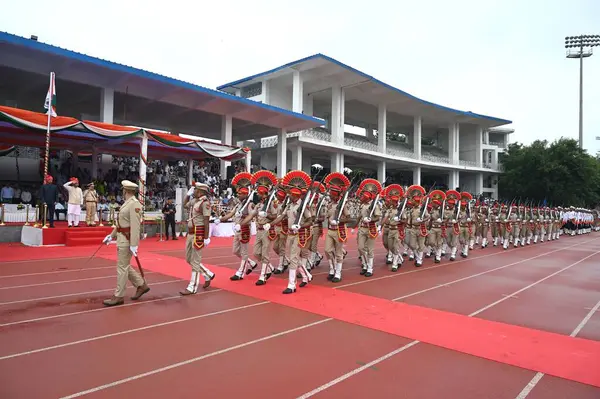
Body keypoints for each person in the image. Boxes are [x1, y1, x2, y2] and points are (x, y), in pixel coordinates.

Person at [101, 180, 150, 307]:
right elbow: (121, 224)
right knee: (124, 266)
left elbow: (135, 225)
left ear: (126, 191)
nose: (122, 192)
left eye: (123, 190)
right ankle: (141, 285)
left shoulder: (134, 204)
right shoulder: (127, 203)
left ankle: (119, 295)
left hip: (127, 240)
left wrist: (134, 244)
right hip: (122, 237)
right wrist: (111, 236)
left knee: (122, 268)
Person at [243, 170, 278, 285]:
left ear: (264, 193)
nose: (257, 195)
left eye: (259, 193)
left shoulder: (271, 203)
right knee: (257, 253)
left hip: (267, 230)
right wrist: (241, 223)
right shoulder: (258, 205)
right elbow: (251, 215)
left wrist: (267, 215)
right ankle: (269, 268)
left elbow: (275, 216)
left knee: (265, 253)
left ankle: (263, 276)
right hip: (259, 231)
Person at [180, 182, 215, 295]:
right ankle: (207, 274)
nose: (193, 191)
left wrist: (206, 237)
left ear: (200, 191)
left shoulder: (205, 203)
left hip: (198, 232)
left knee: (195, 261)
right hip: (190, 233)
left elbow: (206, 221)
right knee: (188, 259)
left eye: (195, 190)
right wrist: (187, 195)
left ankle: (192, 287)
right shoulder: (194, 201)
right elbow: (184, 205)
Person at [323, 172, 351, 282]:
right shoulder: (329, 204)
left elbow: (348, 218)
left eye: (331, 193)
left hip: (339, 230)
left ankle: (338, 273)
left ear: (336, 194)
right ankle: (332, 269)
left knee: (339, 253)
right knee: (327, 250)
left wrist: (339, 221)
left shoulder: (343, 204)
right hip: (330, 230)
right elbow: (327, 216)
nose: (330, 195)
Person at [356, 178, 383, 276]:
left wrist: (371, 220)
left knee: (370, 249)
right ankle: (364, 264)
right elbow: (359, 216)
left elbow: (378, 217)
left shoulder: (374, 205)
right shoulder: (362, 205)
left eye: (364, 196)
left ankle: (369, 268)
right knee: (360, 248)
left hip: (371, 228)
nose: (362, 197)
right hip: (362, 228)